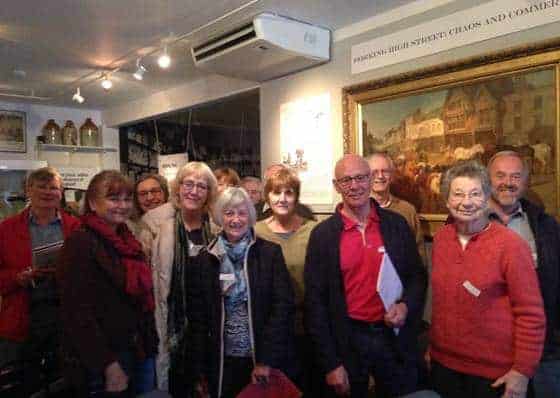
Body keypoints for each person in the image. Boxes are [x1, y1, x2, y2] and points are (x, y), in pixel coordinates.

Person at [305, 154, 427, 398]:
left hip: (392, 336)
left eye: (360, 178)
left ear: (371, 180)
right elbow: (315, 304)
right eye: (346, 180)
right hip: (348, 338)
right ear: (336, 186)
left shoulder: (396, 225)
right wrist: (331, 364)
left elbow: (417, 277)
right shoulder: (323, 236)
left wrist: (406, 306)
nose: (354, 186)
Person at [429, 160, 545, 398]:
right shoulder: (441, 240)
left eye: (475, 193)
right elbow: (442, 304)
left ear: (487, 198)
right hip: (445, 367)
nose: (466, 202)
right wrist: (433, 349)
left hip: (493, 374)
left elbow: (530, 314)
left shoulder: (511, 246)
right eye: (458, 194)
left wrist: (522, 371)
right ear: (447, 200)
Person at [57, 170, 157, 396]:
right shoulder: (81, 242)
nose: (122, 205)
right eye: (113, 199)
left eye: (126, 199)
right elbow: (77, 312)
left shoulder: (128, 239)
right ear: (93, 203)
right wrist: (108, 365)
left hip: (137, 348)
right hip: (106, 358)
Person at [190, 187, 296, 398]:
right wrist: (199, 370)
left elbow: (282, 309)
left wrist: (266, 360)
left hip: (259, 358)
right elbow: (198, 319)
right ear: (220, 217)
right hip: (221, 360)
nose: (236, 220)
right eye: (229, 213)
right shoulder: (206, 258)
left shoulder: (269, 253)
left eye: (242, 213)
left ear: (250, 216)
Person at [0, 167, 80, 394]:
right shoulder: (6, 229)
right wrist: (17, 277)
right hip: (20, 318)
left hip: (64, 317)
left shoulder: (76, 227)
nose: (47, 192)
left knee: (63, 384)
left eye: (53, 187)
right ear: (28, 190)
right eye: (41, 186)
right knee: (19, 385)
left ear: (61, 192)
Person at [487, 151, 560, 398]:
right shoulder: (465, 223)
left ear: (525, 182)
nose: (508, 182)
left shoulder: (545, 225)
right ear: (488, 180)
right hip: (487, 348)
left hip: (539, 345)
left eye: (515, 176)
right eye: (500, 175)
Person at [142, 161, 218, 393]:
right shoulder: (156, 228)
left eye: (201, 186)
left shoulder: (218, 227)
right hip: (174, 324)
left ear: (209, 194)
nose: (194, 191)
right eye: (188, 184)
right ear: (178, 188)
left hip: (210, 326)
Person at [254, 168, 318, 395]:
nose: (282, 198)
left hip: (307, 325)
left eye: (288, 193)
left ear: (296, 197)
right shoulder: (255, 232)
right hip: (269, 329)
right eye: (275, 192)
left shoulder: (313, 230)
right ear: (267, 196)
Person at [367, 152, 426, 261]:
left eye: (385, 171)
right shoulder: (360, 211)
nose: (380, 176)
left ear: (392, 175)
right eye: (374, 172)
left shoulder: (407, 210)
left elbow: (419, 255)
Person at [128, 174, 170, 255]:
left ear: (165, 193)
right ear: (136, 199)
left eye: (155, 191)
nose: (149, 198)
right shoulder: (130, 229)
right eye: (143, 194)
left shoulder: (179, 222)